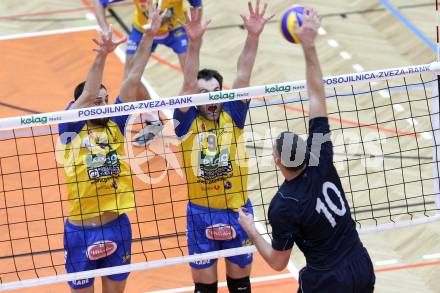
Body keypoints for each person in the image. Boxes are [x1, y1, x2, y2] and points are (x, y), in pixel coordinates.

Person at [237, 9, 376, 293]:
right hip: (361, 265)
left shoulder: (283, 204)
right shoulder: (320, 157)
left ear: (277, 161)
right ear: (305, 150)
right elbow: (316, 94)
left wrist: (251, 229)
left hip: (327, 281)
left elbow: (278, 262)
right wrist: (309, 45)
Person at [58, 5, 165, 292]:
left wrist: (149, 36)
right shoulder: (70, 129)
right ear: (79, 105)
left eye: (105, 99)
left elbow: (132, 77)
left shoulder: (115, 123)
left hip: (117, 225)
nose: (101, 103)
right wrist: (102, 54)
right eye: (96, 100)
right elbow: (89, 93)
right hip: (81, 232)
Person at [173, 2, 274, 292]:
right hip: (200, 214)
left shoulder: (234, 113)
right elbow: (187, 83)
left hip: (237, 211)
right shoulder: (184, 122)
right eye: (203, 94)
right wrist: (194, 44)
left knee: (240, 285)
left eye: (215, 92)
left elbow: (243, 73)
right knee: (204, 289)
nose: (211, 99)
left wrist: (253, 35)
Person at [93, 0, 202, 146]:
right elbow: (99, 2)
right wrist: (105, 30)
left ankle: (201, 123)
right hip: (143, 29)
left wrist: (197, 26)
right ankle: (153, 121)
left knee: (192, 77)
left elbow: (197, 4)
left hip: (175, 29)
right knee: (130, 81)